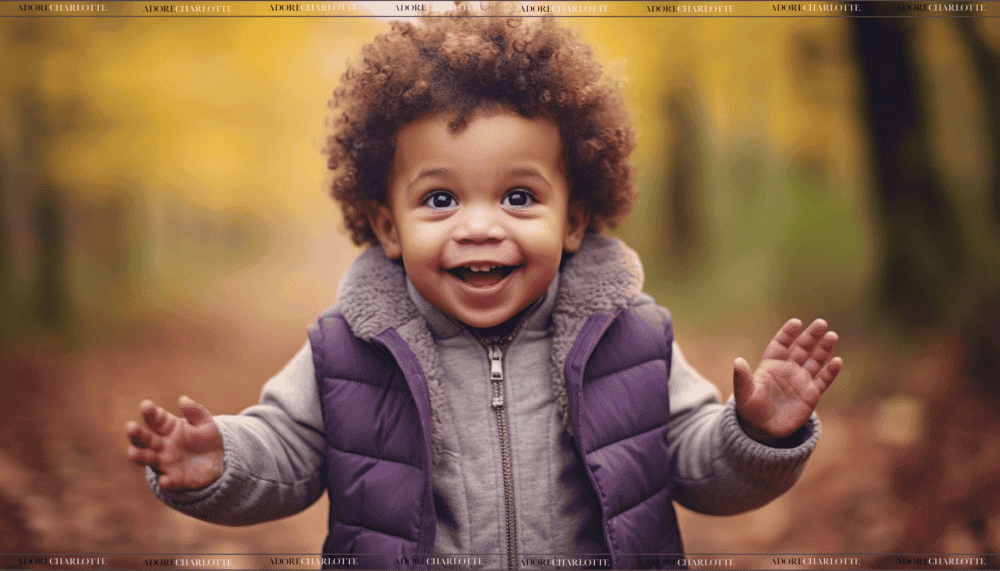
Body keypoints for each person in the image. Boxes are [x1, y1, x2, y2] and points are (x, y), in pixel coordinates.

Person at [126, 9, 842, 570]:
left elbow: (695, 463)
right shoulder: (350, 349)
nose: (479, 226)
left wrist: (755, 434)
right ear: (387, 225)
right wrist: (219, 462)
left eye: (520, 197)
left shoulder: (628, 335)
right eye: (439, 200)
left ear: (576, 219)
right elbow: (283, 449)